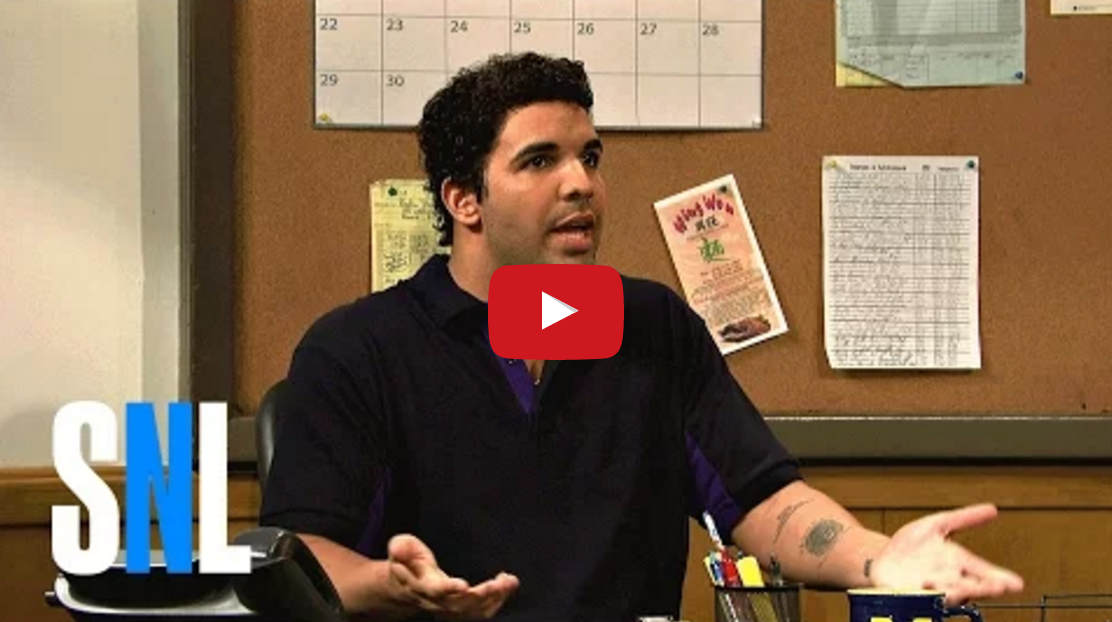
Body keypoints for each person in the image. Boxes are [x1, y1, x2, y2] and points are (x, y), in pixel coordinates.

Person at [260, 52, 1023, 621]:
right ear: (465, 200)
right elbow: (305, 557)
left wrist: (877, 557)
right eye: (540, 160)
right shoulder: (356, 351)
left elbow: (761, 502)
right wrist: (392, 586)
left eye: (589, 158)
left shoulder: (653, 328)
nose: (581, 184)